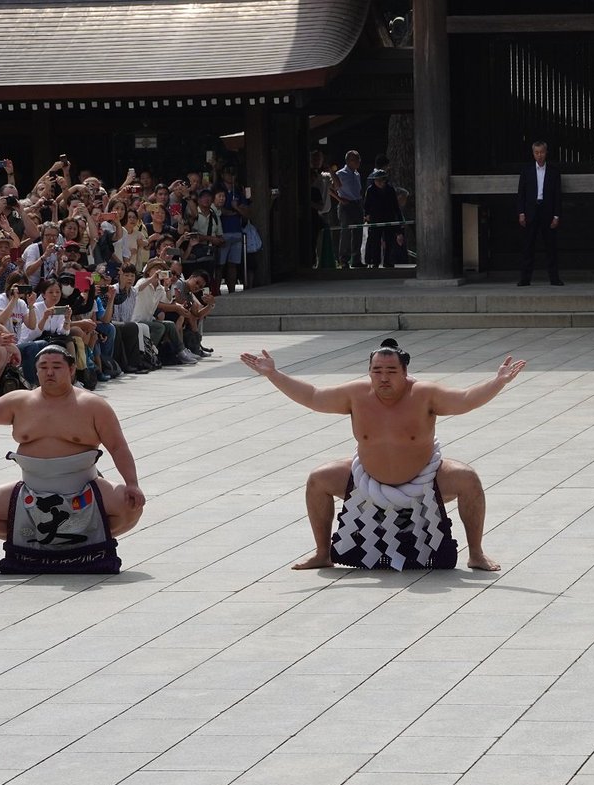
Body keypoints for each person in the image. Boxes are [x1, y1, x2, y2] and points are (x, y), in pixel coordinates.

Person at [239, 338, 526, 572]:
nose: (383, 378)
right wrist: (273, 374)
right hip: (367, 478)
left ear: (405, 372)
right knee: (319, 479)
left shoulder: (424, 394)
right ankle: (322, 553)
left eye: (391, 371)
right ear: (369, 372)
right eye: (377, 371)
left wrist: (498, 382)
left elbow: (465, 400)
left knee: (467, 479)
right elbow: (313, 396)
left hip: (425, 478)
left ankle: (476, 553)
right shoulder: (356, 394)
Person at [0, 345, 145, 573]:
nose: (49, 372)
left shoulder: (93, 405)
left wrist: (132, 484)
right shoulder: (20, 401)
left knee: (130, 507)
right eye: (43, 367)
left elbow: (118, 447)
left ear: (71, 369)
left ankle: (84, 542)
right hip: (32, 489)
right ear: (36, 371)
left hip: (84, 487)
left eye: (57, 366)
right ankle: (37, 545)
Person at [515, 141, 563, 286]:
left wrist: (556, 215)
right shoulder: (526, 170)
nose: (539, 155)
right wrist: (521, 212)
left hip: (547, 211)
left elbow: (557, 195)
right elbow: (521, 193)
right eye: (536, 153)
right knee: (528, 245)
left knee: (551, 246)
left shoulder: (554, 172)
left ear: (546, 152)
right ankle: (525, 278)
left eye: (541, 152)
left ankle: (554, 278)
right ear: (533, 153)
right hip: (531, 211)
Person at [362, 170, 403, 268]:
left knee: (389, 240)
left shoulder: (390, 190)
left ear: (385, 180)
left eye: (381, 180)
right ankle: (375, 261)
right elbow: (366, 205)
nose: (379, 182)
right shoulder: (371, 190)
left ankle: (388, 261)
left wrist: (400, 219)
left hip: (389, 217)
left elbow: (395, 206)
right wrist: (367, 215)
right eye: (377, 180)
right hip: (375, 218)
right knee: (375, 241)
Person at [335, 150, 364, 269]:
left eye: (359, 159)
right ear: (348, 161)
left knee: (358, 231)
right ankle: (343, 260)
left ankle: (356, 259)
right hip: (346, 205)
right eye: (355, 160)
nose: (358, 162)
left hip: (357, 204)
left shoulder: (357, 174)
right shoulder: (340, 174)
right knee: (346, 232)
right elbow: (330, 188)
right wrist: (339, 199)